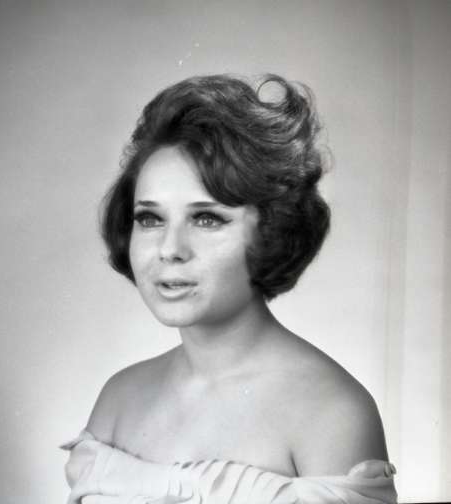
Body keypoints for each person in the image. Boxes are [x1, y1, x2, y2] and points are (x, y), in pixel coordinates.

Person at [61, 74, 397, 504]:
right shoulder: (119, 398)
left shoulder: (333, 412)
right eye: (150, 218)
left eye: (207, 219)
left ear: (272, 231)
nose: (170, 249)